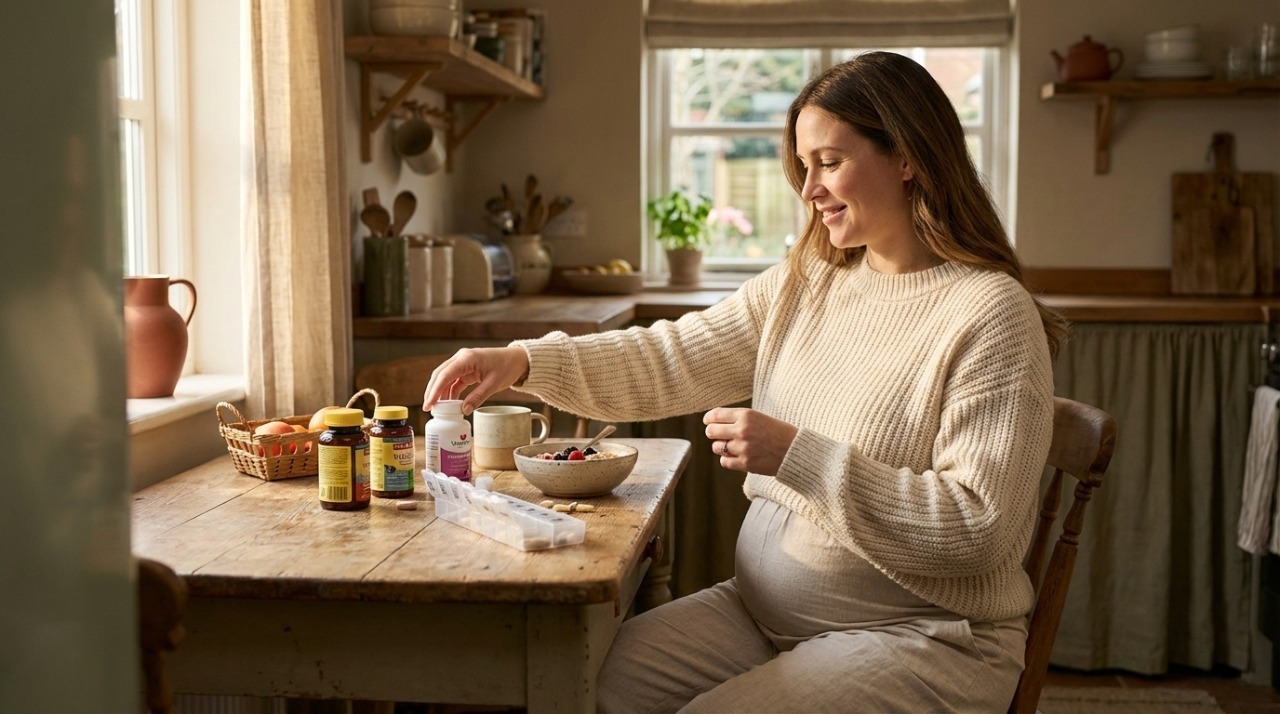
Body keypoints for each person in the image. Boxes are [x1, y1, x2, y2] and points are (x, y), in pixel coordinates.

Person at [422, 51, 1066, 713]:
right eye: (804, 165)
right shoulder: (810, 280)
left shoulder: (989, 313)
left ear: (907, 157)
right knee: (581, 686)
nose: (809, 189)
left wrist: (798, 456)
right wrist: (524, 362)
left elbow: (978, 528)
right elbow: (668, 358)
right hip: (764, 616)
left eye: (830, 161)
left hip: (927, 638)